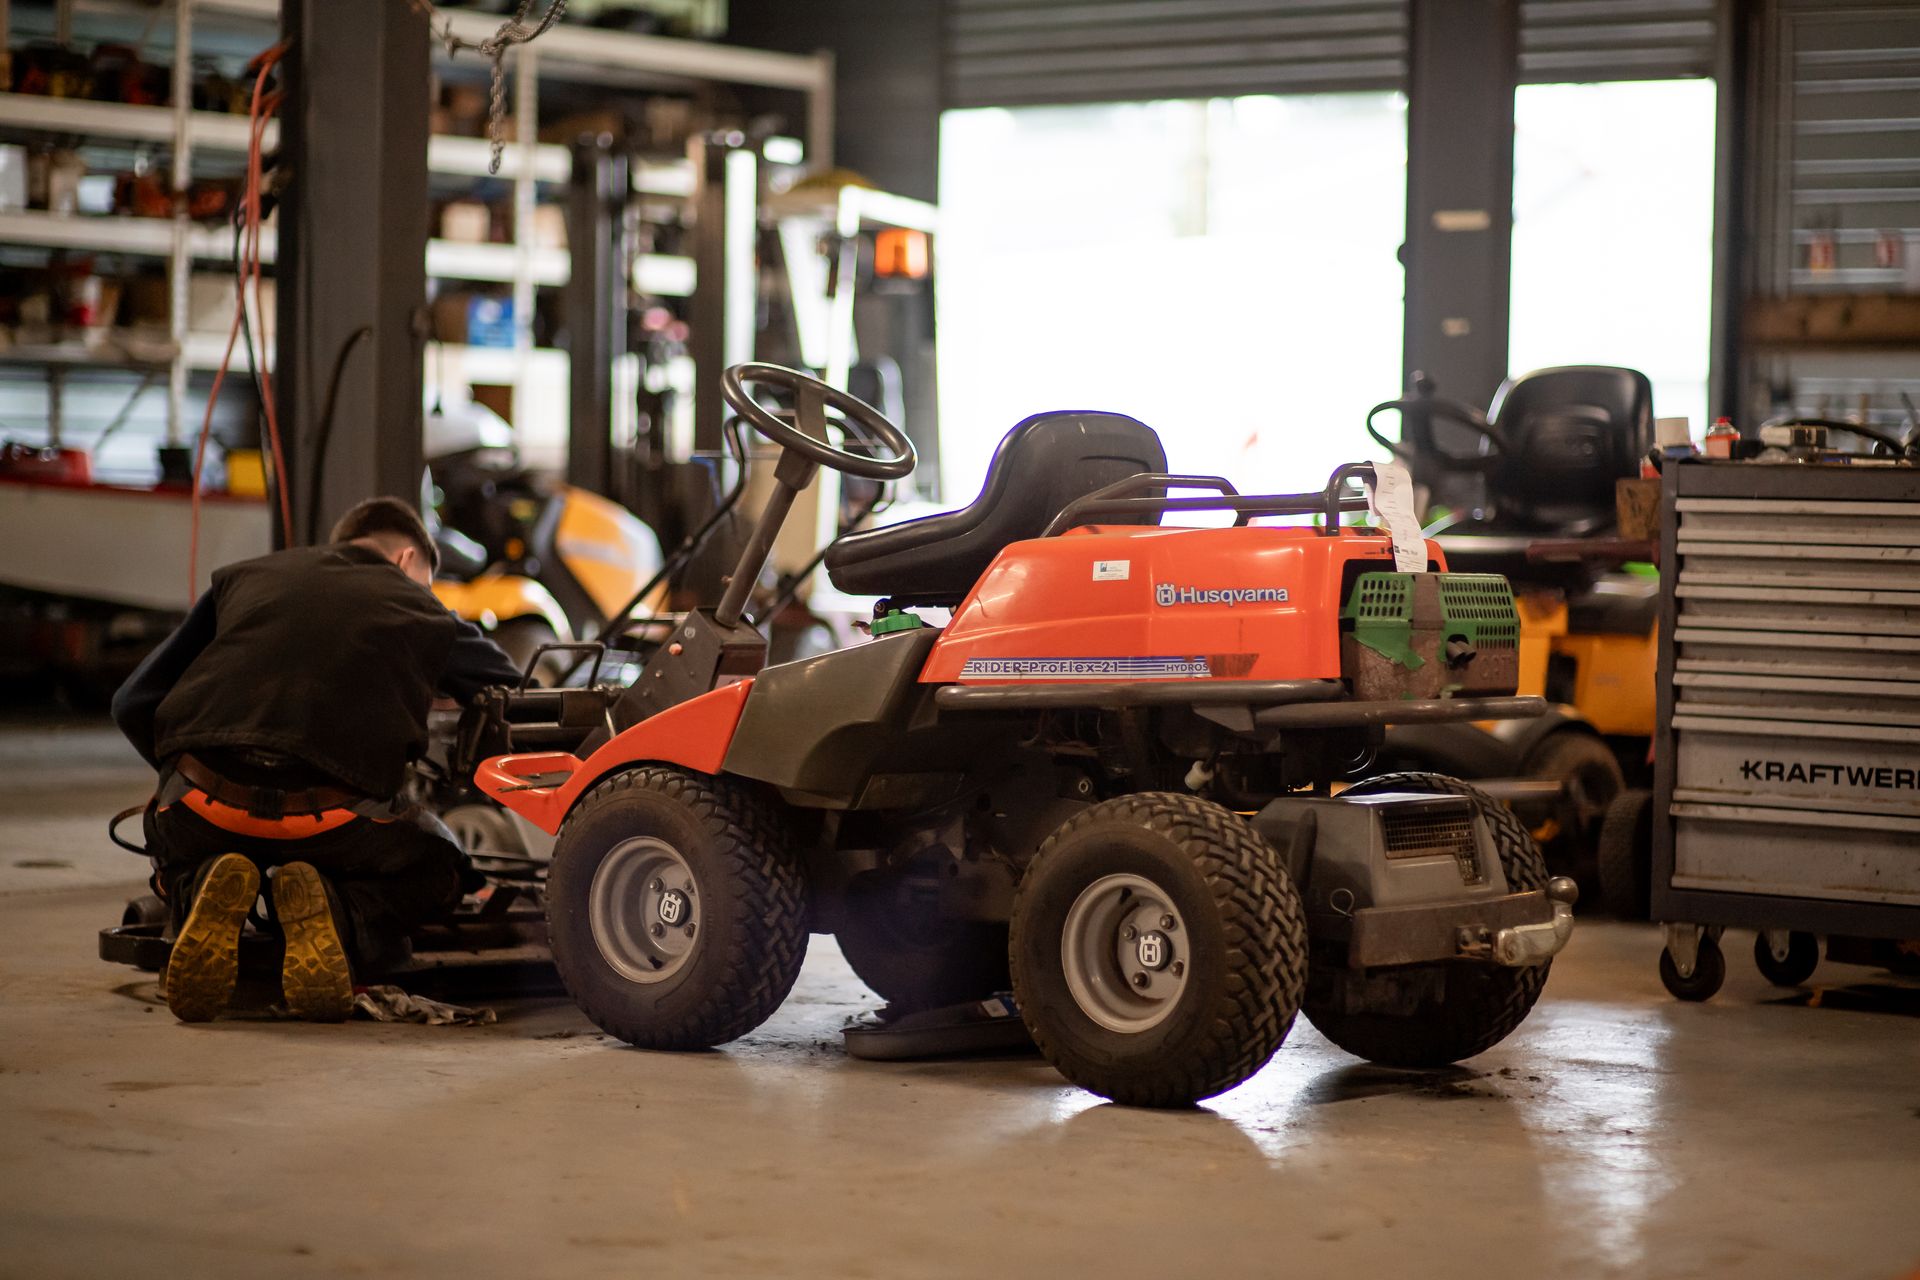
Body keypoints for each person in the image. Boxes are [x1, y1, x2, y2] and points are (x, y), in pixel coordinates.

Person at [112, 496, 524, 1023]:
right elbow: (517, 693)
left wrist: (182, 779)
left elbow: (131, 702)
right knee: (446, 869)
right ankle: (333, 911)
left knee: (188, 849)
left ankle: (201, 889)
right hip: (331, 821)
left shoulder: (243, 577)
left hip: (202, 806)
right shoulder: (419, 605)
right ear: (404, 561)